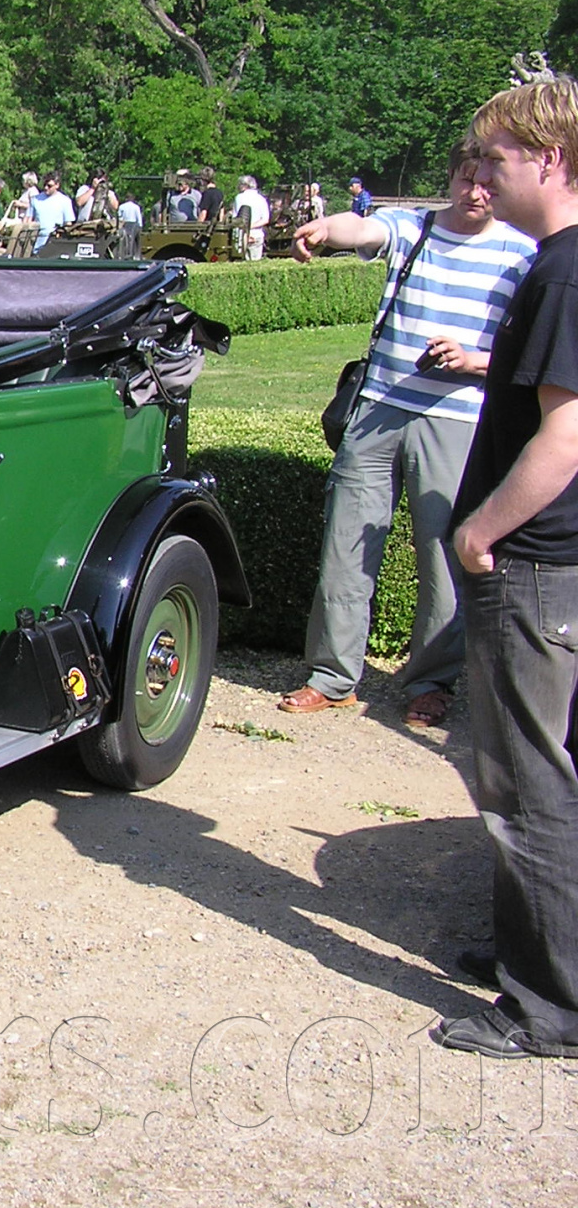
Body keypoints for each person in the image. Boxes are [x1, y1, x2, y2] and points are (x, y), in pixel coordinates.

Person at [280, 137, 535, 728]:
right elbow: (361, 228)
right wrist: (324, 229)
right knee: (345, 544)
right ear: (450, 179)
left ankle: (431, 682)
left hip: (459, 418)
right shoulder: (412, 228)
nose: (476, 192)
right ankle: (331, 677)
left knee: (444, 555)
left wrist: (474, 361)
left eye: (486, 182)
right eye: (466, 179)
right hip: (378, 408)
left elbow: (530, 351)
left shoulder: (522, 253)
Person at [434, 77, 578, 1060]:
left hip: (531, 566)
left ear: (551, 159)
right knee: (530, 774)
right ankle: (535, 950)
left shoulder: (564, 274)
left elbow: (565, 433)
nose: (481, 174)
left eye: (497, 156)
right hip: (543, 565)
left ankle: (548, 1009)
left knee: (527, 782)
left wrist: (483, 529)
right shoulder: (555, 266)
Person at [29, 173, 75, 249]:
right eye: (44, 185)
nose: (46, 188)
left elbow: (68, 224)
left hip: (55, 244)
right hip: (35, 243)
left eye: (49, 186)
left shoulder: (65, 201)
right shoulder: (35, 199)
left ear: (57, 185)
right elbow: (27, 220)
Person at [232, 174, 271, 259]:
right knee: (256, 262)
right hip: (257, 233)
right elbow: (265, 219)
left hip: (242, 234)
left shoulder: (239, 197)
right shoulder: (261, 199)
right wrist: (252, 226)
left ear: (245, 185)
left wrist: (247, 228)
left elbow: (236, 219)